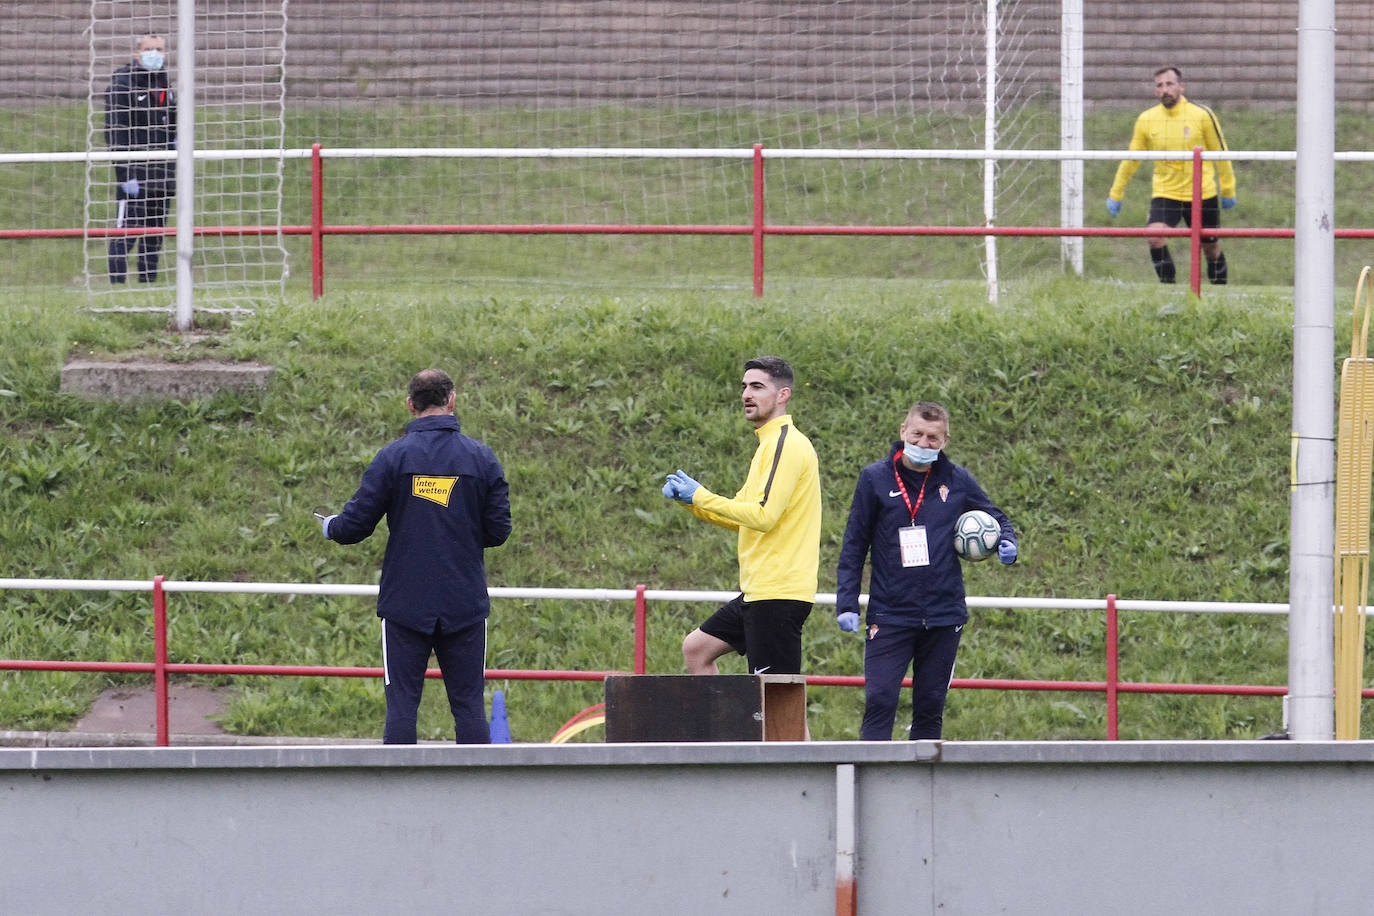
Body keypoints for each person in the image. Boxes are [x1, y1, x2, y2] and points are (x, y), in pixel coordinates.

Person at [320, 369, 512, 744]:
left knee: (402, 708)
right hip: (464, 602)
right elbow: (498, 531)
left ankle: (397, 798)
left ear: (410, 404)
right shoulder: (482, 458)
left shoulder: (392, 457)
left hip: (405, 603)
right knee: (469, 708)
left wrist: (330, 525)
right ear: (452, 401)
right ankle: (476, 798)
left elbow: (354, 526)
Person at [835, 401, 1016, 740]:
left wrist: (1007, 542)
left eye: (933, 438)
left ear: (944, 440)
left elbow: (998, 517)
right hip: (890, 613)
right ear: (903, 432)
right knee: (880, 700)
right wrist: (846, 603)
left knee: (930, 705)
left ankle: (923, 790)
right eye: (917, 434)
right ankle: (872, 784)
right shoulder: (874, 478)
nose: (923, 444)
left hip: (944, 613)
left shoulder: (957, 480)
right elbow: (854, 544)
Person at [663, 356, 822, 677]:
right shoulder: (768, 444)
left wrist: (701, 495)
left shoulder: (785, 444)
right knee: (697, 649)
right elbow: (741, 516)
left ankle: (753, 728)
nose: (746, 394)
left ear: (783, 395)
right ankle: (726, 729)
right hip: (760, 591)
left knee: (777, 704)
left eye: (757, 386)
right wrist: (691, 503)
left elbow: (763, 517)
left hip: (777, 592)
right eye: (745, 386)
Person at [1106, 66, 1236, 285]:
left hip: (1202, 192)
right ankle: (1169, 290)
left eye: (1169, 84)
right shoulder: (1147, 120)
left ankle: (1220, 293)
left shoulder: (1202, 115)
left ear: (1181, 87)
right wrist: (1116, 193)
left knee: (1210, 247)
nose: (1165, 89)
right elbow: (1131, 158)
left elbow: (1220, 152)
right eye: (1159, 85)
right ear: (1155, 91)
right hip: (1167, 193)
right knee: (1154, 236)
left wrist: (1228, 189)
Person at [104, 34, 177, 284]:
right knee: (126, 234)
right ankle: (116, 285)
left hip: (163, 175)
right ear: (137, 53)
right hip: (136, 175)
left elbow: (173, 126)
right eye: (149, 49)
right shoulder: (122, 84)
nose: (154, 54)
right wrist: (125, 176)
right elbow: (115, 133)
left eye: (159, 49)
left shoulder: (165, 82)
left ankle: (148, 283)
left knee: (154, 236)